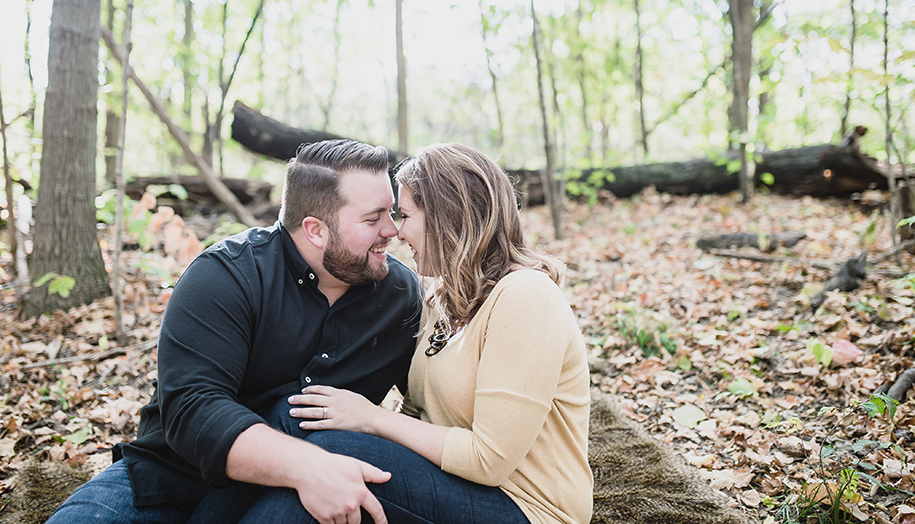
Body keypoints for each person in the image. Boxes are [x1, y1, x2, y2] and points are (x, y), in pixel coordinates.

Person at [47, 139, 424, 524]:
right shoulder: (226, 275)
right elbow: (193, 409)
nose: (392, 230)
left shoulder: (401, 297)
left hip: (298, 501)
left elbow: (431, 406)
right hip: (170, 483)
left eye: (392, 213)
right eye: (372, 218)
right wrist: (306, 465)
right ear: (316, 231)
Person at [240, 142, 593, 523]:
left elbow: (488, 461)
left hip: (527, 507)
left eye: (404, 215)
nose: (396, 232)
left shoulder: (526, 297)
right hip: (453, 485)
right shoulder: (441, 298)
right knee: (297, 417)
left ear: (449, 217)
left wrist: (370, 419)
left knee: (333, 451)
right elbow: (418, 415)